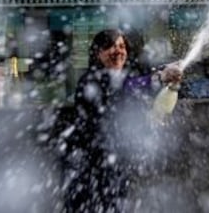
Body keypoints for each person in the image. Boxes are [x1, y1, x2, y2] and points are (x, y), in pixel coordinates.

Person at [63, 29, 182, 212]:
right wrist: (159, 77)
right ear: (98, 53)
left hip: (115, 168)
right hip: (89, 171)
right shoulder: (90, 81)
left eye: (121, 46)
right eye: (110, 46)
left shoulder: (125, 78)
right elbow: (124, 89)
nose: (118, 50)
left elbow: (129, 103)